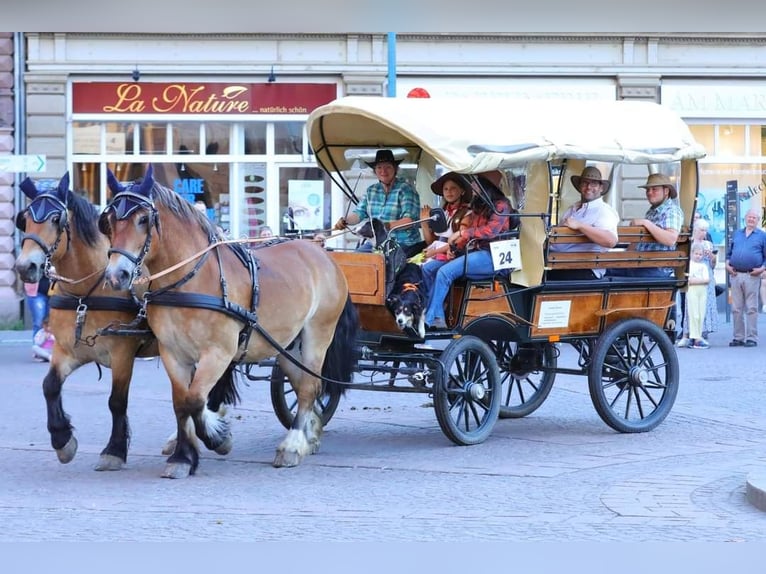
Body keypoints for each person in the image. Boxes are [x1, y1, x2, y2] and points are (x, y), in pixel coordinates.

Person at [422, 174, 520, 330]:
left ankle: (428, 319)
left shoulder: (502, 205)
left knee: (444, 273)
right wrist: (455, 249)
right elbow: (470, 233)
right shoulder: (478, 206)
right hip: (475, 251)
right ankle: (437, 313)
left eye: (476, 185)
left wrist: (462, 234)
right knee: (428, 268)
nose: (473, 189)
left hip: (492, 255)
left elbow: (490, 232)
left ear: (486, 187)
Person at [333, 149, 423, 257]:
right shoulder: (371, 190)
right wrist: (345, 221)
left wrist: (385, 226)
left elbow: (409, 221)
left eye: (388, 167)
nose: (383, 171)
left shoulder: (406, 189)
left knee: (382, 264)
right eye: (379, 167)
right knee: (356, 259)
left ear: (395, 169)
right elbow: (359, 213)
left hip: (403, 243)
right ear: (375, 170)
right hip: (377, 243)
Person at [607, 173, 684, 278]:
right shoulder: (652, 211)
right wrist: (623, 257)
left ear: (666, 191)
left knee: (606, 273)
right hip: (642, 264)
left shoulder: (672, 211)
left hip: (656, 268)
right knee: (604, 269)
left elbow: (670, 239)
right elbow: (638, 242)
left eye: (654, 189)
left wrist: (646, 223)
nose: (649, 193)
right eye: (648, 190)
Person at [547, 166, 619, 280]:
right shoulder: (572, 208)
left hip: (584, 268)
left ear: (601, 188)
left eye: (594, 184)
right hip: (560, 264)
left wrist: (580, 226)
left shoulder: (604, 210)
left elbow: (611, 241)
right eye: (585, 183)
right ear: (580, 186)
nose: (589, 187)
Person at [725, 208, 766, 347]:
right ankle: (738, 337)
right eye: (749, 217)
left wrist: (761, 269)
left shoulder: (762, 236)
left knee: (752, 308)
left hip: (752, 276)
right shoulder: (737, 234)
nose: (751, 220)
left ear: (757, 221)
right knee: (736, 308)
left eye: (754, 218)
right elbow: (729, 253)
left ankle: (751, 337)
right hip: (735, 275)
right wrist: (727, 265)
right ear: (745, 218)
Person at [677, 218, 718, 347]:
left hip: (706, 275)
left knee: (704, 306)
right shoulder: (689, 243)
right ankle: (687, 333)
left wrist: (712, 257)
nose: (704, 233)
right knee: (689, 306)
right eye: (702, 230)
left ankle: (701, 333)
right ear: (695, 230)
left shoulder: (708, 244)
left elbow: (713, 264)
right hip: (692, 275)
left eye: (706, 230)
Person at [419, 171, 472, 264]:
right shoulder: (442, 212)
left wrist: (434, 252)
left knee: (428, 268)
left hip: (453, 254)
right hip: (436, 252)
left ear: (462, 191)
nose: (449, 192)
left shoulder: (467, 213)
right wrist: (424, 223)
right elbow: (431, 242)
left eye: (453, 188)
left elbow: (459, 242)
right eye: (445, 189)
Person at [682, 242, 711, 349]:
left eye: (700, 254)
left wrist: (695, 280)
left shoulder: (703, 266)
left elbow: (707, 280)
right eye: (696, 254)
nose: (698, 256)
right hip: (692, 291)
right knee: (693, 314)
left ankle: (698, 335)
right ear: (692, 253)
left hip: (702, 292)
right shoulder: (688, 265)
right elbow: (687, 280)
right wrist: (700, 280)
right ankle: (694, 336)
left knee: (700, 314)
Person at [24, 275, 50, 347]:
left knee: (53, 323)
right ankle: (38, 349)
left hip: (56, 292)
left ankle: (50, 349)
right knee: (39, 322)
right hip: (37, 293)